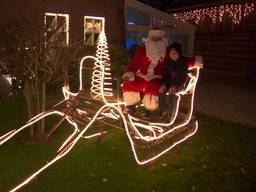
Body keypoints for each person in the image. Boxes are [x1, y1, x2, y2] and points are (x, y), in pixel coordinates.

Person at [122, 28, 168, 116]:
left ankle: (150, 110)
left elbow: (179, 59)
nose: (156, 41)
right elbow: (134, 64)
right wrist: (129, 74)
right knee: (129, 84)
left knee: (153, 87)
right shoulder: (142, 50)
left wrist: (195, 61)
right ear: (150, 38)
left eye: (158, 39)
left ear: (162, 39)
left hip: (156, 77)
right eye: (154, 38)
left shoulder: (167, 51)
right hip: (142, 76)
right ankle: (131, 106)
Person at [158, 42, 188, 119]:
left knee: (172, 93)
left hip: (179, 84)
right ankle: (162, 109)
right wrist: (163, 84)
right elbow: (164, 75)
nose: (173, 54)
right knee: (161, 91)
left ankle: (169, 114)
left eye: (175, 52)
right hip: (169, 83)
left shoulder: (183, 63)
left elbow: (183, 77)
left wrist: (175, 86)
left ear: (179, 53)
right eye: (171, 53)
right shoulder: (167, 63)